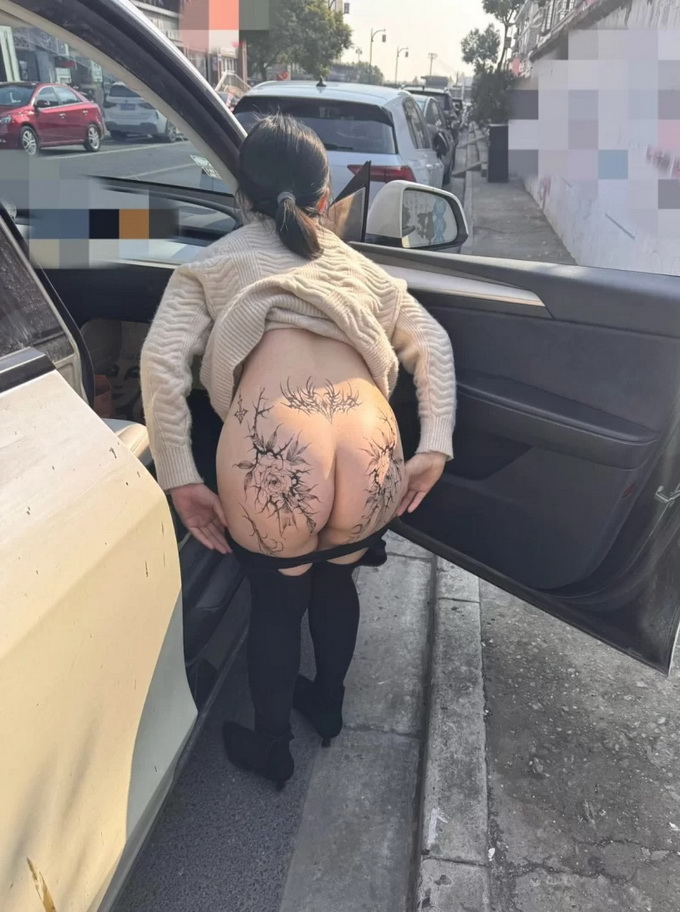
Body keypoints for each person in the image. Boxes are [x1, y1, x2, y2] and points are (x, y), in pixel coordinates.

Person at [140, 114, 456, 790]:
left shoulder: (209, 265)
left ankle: (271, 746)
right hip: (372, 451)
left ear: (241, 197)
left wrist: (180, 476)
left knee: (278, 604)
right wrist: (434, 443)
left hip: (272, 452)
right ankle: (328, 705)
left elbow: (161, 364)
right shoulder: (358, 267)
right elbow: (432, 342)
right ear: (324, 198)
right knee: (336, 582)